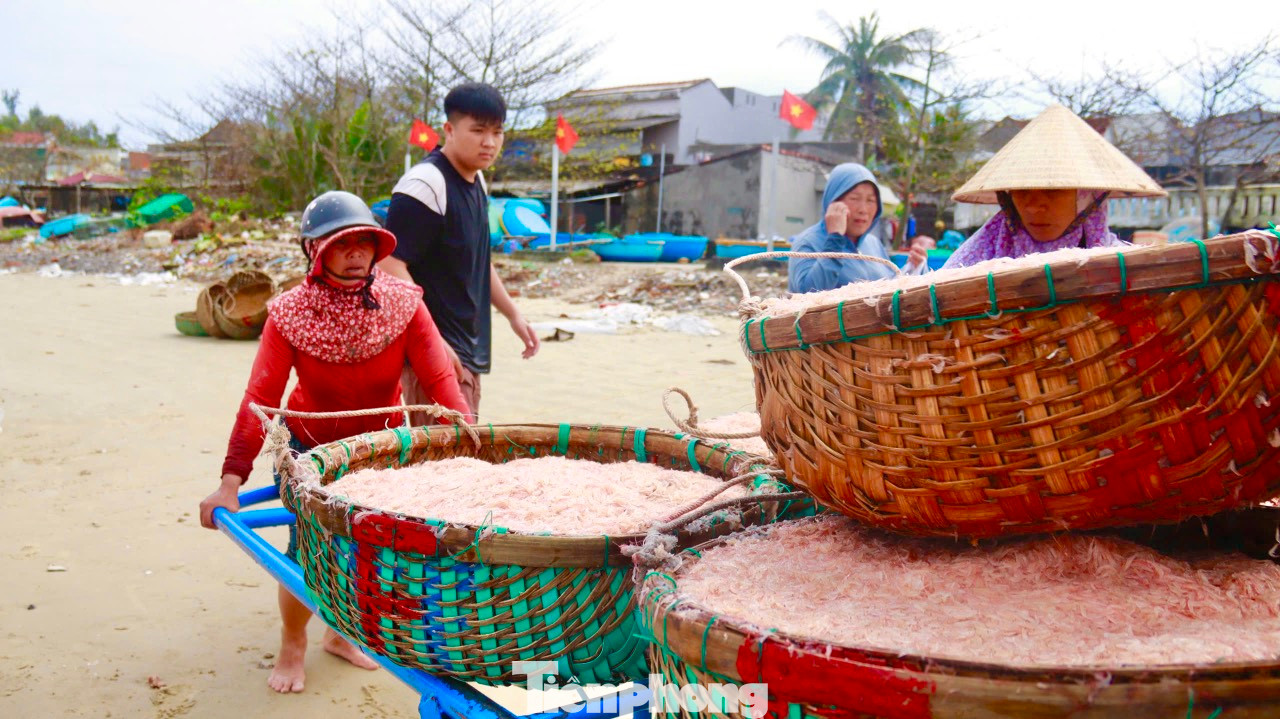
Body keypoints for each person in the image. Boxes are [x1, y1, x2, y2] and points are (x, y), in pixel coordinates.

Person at [198, 190, 470, 694]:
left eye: (364, 242)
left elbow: (442, 384)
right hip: (309, 451)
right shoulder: (288, 314)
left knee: (372, 552)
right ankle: (292, 642)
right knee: (307, 551)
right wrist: (230, 481)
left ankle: (341, 635)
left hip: (381, 454)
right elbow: (260, 401)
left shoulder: (404, 303)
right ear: (313, 250)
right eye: (340, 244)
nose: (355, 254)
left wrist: (472, 452)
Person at [379, 83, 539, 423]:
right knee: (447, 451)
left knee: (464, 445)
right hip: (432, 356)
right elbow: (389, 263)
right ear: (449, 130)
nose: (489, 142)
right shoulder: (426, 184)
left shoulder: (477, 181)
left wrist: (513, 314)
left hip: (467, 349)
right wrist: (432, 340)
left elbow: (479, 261)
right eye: (478, 131)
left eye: (497, 132)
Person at [943, 104, 1167, 269]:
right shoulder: (973, 262)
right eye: (1021, 191)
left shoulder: (1125, 270)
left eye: (1053, 190)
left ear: (1087, 198)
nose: (1033, 206)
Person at [788, 163, 928, 294]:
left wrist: (913, 270)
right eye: (854, 198)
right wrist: (835, 240)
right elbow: (807, 295)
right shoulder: (807, 243)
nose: (863, 210)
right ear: (833, 201)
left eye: (870, 200)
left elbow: (888, 289)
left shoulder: (873, 243)